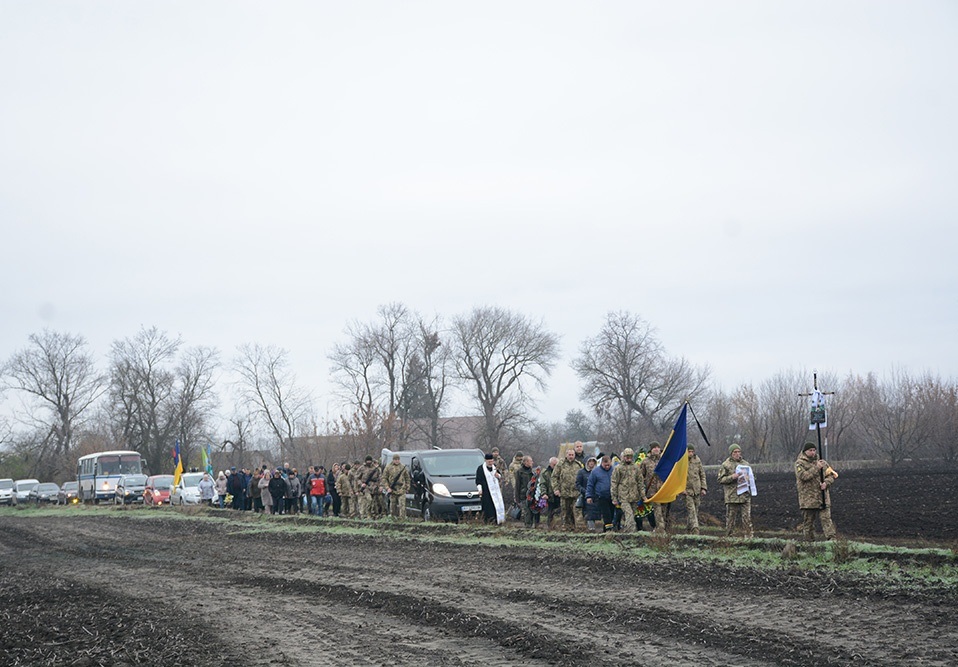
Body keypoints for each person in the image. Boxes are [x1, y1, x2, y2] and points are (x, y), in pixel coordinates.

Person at [795, 441, 838, 541]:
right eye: (810, 450)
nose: (813, 452)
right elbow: (804, 476)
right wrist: (816, 468)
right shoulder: (799, 463)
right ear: (805, 451)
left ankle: (832, 540)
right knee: (808, 522)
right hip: (808, 499)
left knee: (826, 520)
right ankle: (809, 543)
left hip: (822, 497)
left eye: (814, 450)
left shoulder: (822, 462)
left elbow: (831, 475)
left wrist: (826, 483)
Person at [718, 443, 754, 538]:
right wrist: (732, 477)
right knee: (731, 519)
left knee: (747, 519)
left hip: (745, 495)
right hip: (732, 496)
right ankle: (729, 538)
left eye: (739, 451)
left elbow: (752, 478)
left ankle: (749, 538)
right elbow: (720, 480)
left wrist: (748, 478)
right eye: (735, 452)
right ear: (731, 453)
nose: (737, 454)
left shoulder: (746, 464)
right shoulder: (726, 465)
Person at [611, 448, 645, 533]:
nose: (628, 458)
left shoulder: (636, 468)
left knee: (631, 516)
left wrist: (643, 496)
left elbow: (640, 482)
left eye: (630, 457)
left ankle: (627, 533)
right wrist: (614, 497)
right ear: (624, 457)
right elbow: (614, 483)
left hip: (634, 496)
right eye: (627, 456)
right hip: (623, 497)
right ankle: (632, 533)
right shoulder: (618, 468)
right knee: (629, 515)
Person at [640, 441, 669, 534]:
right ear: (651, 450)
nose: (656, 449)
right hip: (652, 491)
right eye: (654, 448)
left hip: (664, 490)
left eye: (657, 447)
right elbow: (641, 477)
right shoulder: (645, 462)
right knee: (657, 511)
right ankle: (661, 531)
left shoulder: (664, 460)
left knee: (664, 512)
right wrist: (643, 492)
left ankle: (660, 529)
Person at [552, 448, 584, 530]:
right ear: (566, 455)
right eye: (569, 455)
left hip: (575, 492)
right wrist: (556, 489)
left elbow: (582, 477)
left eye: (572, 455)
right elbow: (554, 477)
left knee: (577, 511)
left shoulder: (578, 465)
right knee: (565, 512)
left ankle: (578, 528)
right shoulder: (560, 464)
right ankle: (565, 527)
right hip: (564, 493)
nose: (571, 456)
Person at [681, 445, 708, 534]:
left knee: (695, 511)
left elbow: (702, 474)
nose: (691, 453)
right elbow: (678, 477)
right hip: (687, 491)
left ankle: (689, 531)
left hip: (697, 490)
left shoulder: (697, 460)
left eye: (692, 451)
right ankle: (696, 530)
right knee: (691, 510)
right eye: (689, 452)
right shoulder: (681, 461)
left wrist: (703, 488)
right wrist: (681, 489)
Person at [586, 456, 614, 532]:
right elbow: (590, 484)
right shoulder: (595, 472)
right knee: (606, 514)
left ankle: (606, 529)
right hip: (601, 496)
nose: (607, 467)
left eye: (608, 465)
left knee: (612, 513)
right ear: (601, 463)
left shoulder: (614, 470)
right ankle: (609, 530)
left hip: (613, 496)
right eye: (605, 465)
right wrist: (589, 496)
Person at [475, 453, 505, 524]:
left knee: (496, 506)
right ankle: (488, 521)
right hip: (486, 491)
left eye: (492, 461)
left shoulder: (494, 467)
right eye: (489, 462)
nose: (490, 463)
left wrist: (498, 476)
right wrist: (480, 489)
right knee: (487, 507)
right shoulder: (481, 469)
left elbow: (500, 476)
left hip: (495, 491)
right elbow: (478, 480)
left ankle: (497, 520)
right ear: (485, 461)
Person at [382, 454, 411, 519]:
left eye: (398, 459)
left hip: (401, 488)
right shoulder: (388, 467)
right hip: (392, 489)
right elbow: (384, 478)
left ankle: (402, 518)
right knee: (393, 505)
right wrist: (387, 488)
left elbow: (407, 478)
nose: (397, 461)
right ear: (393, 460)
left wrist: (407, 487)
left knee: (402, 504)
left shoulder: (403, 467)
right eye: (395, 459)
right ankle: (393, 518)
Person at [514, 455, 535, 528]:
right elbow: (517, 485)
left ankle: (532, 524)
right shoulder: (520, 472)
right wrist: (517, 498)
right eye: (531, 461)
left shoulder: (533, 472)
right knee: (527, 511)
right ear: (526, 462)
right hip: (523, 495)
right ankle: (528, 526)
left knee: (532, 510)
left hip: (532, 494)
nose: (532, 462)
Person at [576, 457, 597, 531]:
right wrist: (585, 491)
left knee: (595, 513)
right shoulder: (581, 472)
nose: (591, 463)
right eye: (590, 461)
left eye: (593, 461)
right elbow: (578, 484)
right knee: (588, 513)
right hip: (585, 496)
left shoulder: (597, 472)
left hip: (596, 496)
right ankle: (590, 528)